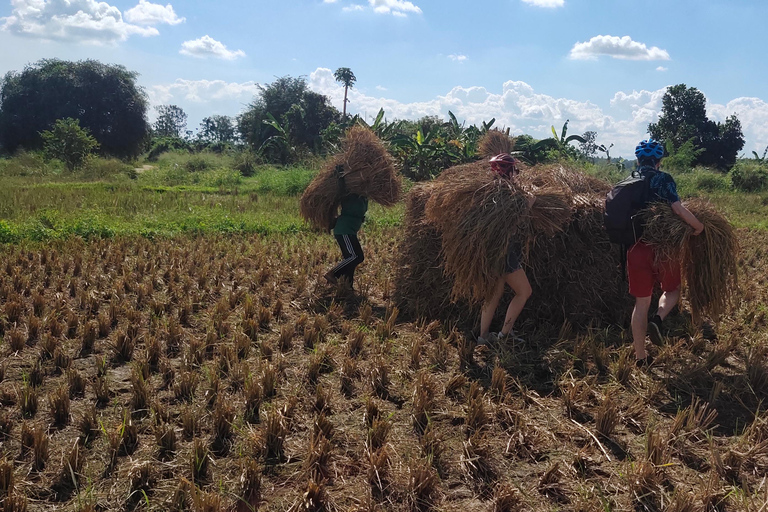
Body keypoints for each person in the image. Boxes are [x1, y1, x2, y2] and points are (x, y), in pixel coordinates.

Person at [627, 139, 704, 366]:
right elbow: (677, 209)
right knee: (673, 290)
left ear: (638, 160)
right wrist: (698, 227)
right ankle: (658, 319)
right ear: (659, 161)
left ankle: (640, 357)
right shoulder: (663, 179)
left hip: (636, 248)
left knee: (640, 303)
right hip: (664, 249)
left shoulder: (629, 181)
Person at [477, 153, 534, 346]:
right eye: (514, 170)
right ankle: (505, 334)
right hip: (505, 252)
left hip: (490, 250)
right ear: (508, 171)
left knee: (493, 294)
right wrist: (529, 204)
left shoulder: (486, 192)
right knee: (524, 292)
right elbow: (511, 224)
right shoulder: (508, 195)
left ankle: (483, 337)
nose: (516, 173)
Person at [324, 165, 368, 290]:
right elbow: (342, 186)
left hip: (350, 231)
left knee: (353, 258)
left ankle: (347, 285)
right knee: (355, 256)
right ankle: (332, 273)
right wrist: (342, 173)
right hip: (344, 230)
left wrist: (360, 218)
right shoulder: (349, 194)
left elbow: (357, 212)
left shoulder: (364, 198)